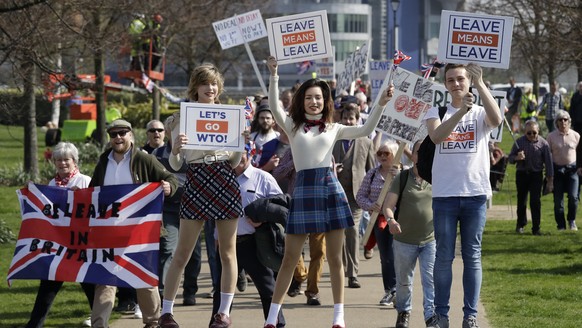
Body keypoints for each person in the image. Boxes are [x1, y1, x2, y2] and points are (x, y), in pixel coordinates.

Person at [263, 56, 394, 328]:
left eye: (319, 98)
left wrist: (380, 104)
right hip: (303, 191)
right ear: (302, 101)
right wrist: (274, 74)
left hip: (329, 189)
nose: (314, 102)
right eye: (309, 97)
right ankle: (272, 318)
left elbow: (366, 129)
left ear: (326, 102)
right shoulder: (293, 125)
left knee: (335, 258)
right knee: (290, 258)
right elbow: (275, 108)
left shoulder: (334, 127)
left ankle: (338, 317)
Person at [158, 63, 244, 328]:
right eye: (205, 83)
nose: (211, 88)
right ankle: (167, 312)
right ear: (195, 87)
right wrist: (174, 149)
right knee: (183, 251)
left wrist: (240, 142)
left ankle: (223, 313)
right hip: (196, 178)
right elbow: (174, 165)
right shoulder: (178, 118)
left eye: (214, 84)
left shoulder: (231, 116)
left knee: (227, 252)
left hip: (223, 177)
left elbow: (234, 161)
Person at [423, 63, 502, 328]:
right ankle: (442, 315)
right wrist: (460, 113)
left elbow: (497, 120)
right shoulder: (437, 111)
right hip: (445, 195)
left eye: (461, 79)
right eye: (451, 80)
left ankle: (470, 316)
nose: (456, 84)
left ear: (468, 81)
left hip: (475, 193)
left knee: (473, 255)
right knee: (444, 256)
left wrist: (480, 86)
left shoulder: (480, 112)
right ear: (445, 85)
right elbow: (437, 137)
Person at [89, 119, 178, 328]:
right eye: (113, 134)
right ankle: (99, 324)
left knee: (144, 277)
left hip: (140, 232)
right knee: (105, 279)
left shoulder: (144, 160)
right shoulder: (103, 162)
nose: (118, 138)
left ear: (131, 135)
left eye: (122, 133)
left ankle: (153, 322)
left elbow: (170, 178)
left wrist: (168, 187)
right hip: (109, 231)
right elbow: (92, 193)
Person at [209, 148, 286, 327]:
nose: (238, 157)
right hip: (226, 245)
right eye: (234, 153)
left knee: (267, 289)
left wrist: (263, 219)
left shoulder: (263, 177)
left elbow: (281, 204)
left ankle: (277, 324)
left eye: (242, 152)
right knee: (221, 292)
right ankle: (216, 324)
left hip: (254, 244)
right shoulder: (221, 179)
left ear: (250, 154)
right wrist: (216, 238)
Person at [25, 142, 95, 328]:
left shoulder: (85, 181)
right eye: (58, 160)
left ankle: (99, 320)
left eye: (66, 160)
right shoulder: (51, 184)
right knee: (48, 285)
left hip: (80, 243)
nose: (62, 163)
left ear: (74, 161)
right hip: (58, 244)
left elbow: (95, 210)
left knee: (88, 283)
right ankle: (34, 324)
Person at [381, 140, 436, 328]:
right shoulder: (402, 178)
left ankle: (430, 315)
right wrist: (391, 221)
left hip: (430, 240)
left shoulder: (437, 177)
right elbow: (388, 206)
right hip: (404, 241)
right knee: (404, 281)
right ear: (412, 155)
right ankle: (403, 312)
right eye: (420, 151)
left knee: (430, 280)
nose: (423, 155)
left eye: (428, 151)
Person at [152, 116, 203, 306]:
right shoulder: (157, 153)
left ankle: (190, 291)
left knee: (194, 253)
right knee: (168, 248)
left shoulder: (195, 151)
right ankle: (163, 293)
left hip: (192, 206)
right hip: (169, 207)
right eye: (173, 127)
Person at [272, 147, 327, 306]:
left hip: (319, 205)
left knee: (319, 251)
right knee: (292, 250)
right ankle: (301, 275)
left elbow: (332, 178)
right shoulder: (293, 149)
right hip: (297, 205)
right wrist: (293, 162)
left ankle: (313, 293)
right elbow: (277, 174)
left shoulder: (325, 146)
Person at [332, 103, 377, 289]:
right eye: (345, 119)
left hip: (356, 195)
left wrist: (372, 194)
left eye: (352, 119)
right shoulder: (333, 141)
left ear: (358, 120)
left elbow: (371, 169)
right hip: (335, 193)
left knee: (352, 230)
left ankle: (353, 274)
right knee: (339, 233)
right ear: (341, 120)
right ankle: (342, 269)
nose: (349, 122)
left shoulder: (366, 142)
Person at [355, 140, 400, 307]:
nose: (381, 156)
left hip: (401, 220)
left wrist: (399, 177)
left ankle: (403, 290)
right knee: (386, 257)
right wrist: (369, 205)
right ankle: (391, 290)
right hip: (380, 221)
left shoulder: (404, 173)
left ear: (395, 155)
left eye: (386, 153)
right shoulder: (372, 174)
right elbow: (360, 196)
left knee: (402, 256)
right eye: (379, 153)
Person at [507, 120, 554, 235]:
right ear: (524, 132)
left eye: (534, 133)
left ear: (538, 131)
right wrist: (517, 158)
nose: (532, 135)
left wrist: (550, 180)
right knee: (522, 201)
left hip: (536, 175)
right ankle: (520, 224)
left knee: (535, 201)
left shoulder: (543, 144)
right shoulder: (519, 142)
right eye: (529, 133)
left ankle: (536, 228)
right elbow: (510, 158)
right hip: (522, 174)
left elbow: (548, 163)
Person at [546, 110, 580, 231]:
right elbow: (548, 156)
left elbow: (580, 154)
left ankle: (571, 221)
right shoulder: (551, 137)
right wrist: (549, 176)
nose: (563, 122)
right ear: (556, 122)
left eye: (565, 119)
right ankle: (561, 225)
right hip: (557, 171)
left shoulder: (576, 136)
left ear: (569, 122)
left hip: (572, 171)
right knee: (558, 201)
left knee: (573, 197)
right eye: (561, 120)